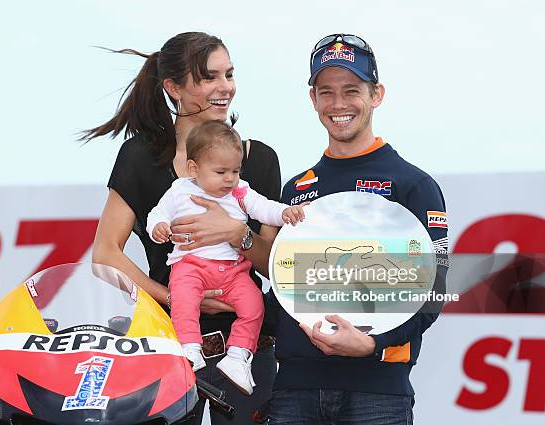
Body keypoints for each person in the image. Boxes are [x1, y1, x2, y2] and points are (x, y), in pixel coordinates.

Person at [84, 32, 281, 424]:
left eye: (229, 74)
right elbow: (104, 255)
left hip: (246, 351)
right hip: (168, 347)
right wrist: (173, 297)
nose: (225, 87)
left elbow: (273, 265)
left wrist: (233, 232)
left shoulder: (259, 161)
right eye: (210, 77)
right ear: (173, 87)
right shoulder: (140, 156)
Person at [267, 34, 449, 425]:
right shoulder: (295, 190)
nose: (338, 104)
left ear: (376, 94)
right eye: (326, 92)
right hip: (294, 390)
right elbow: (284, 289)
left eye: (352, 90)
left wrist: (372, 344)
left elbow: (436, 287)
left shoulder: (413, 185)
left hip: (377, 391)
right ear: (312, 98)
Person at [147, 120, 305, 395]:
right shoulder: (180, 191)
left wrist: (285, 213)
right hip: (190, 267)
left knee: (254, 304)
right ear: (194, 168)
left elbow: (263, 208)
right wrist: (158, 227)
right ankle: (189, 349)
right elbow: (156, 214)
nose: (229, 179)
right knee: (183, 301)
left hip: (233, 271)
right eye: (220, 171)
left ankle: (238, 356)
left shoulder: (240, 191)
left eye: (235, 170)